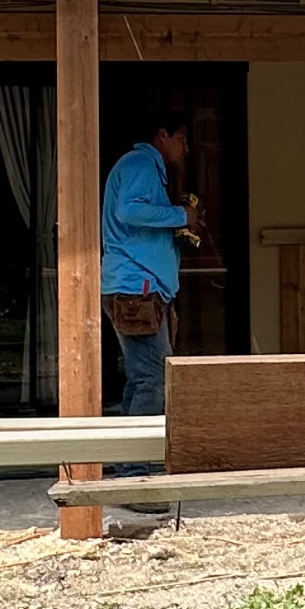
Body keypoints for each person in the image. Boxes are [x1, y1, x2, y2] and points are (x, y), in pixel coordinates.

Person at [100, 112, 200, 417]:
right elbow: (129, 210)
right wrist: (180, 215)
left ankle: (129, 447)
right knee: (153, 379)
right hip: (137, 288)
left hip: (138, 286)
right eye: (182, 138)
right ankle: (139, 449)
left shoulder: (144, 167)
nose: (186, 147)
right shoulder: (141, 163)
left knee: (142, 377)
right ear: (162, 135)